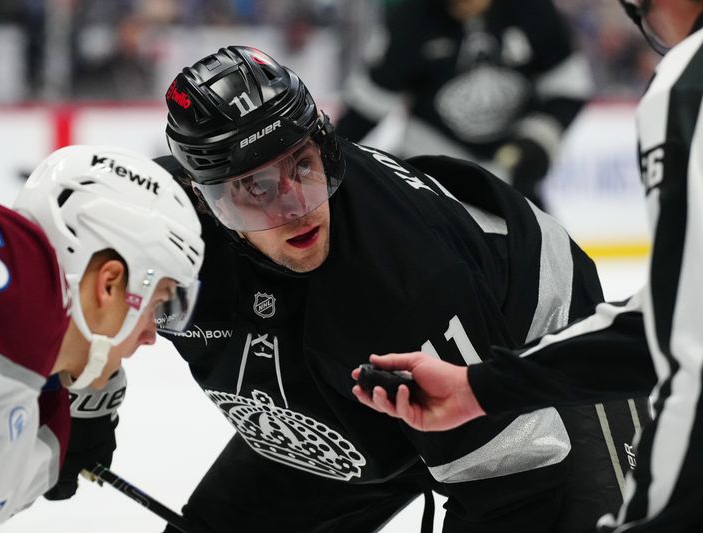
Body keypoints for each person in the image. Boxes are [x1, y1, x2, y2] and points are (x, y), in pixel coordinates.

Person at [146, 45, 649, 533]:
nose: (294, 206)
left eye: (302, 165)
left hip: (527, 346)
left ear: (325, 147)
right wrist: (84, 408)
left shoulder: (405, 277)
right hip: (362, 392)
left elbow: (515, 480)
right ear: (205, 199)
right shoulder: (155, 225)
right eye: (255, 188)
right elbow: (78, 292)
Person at [352, 0, 703, 531]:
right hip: (435, 203)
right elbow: (362, 110)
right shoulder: (408, 21)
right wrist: (480, 388)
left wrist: (528, 150)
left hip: (512, 208)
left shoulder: (682, 79)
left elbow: (684, 331)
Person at [0, 146, 203, 532]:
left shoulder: (38, 429)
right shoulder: (13, 283)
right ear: (108, 285)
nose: (150, 336)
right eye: (156, 304)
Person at [335, 0, 593, 209]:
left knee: (550, 261)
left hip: (510, 177)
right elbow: (365, 110)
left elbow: (568, 88)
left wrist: (535, 142)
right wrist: (328, 155)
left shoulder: (532, 9)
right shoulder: (411, 20)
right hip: (432, 179)